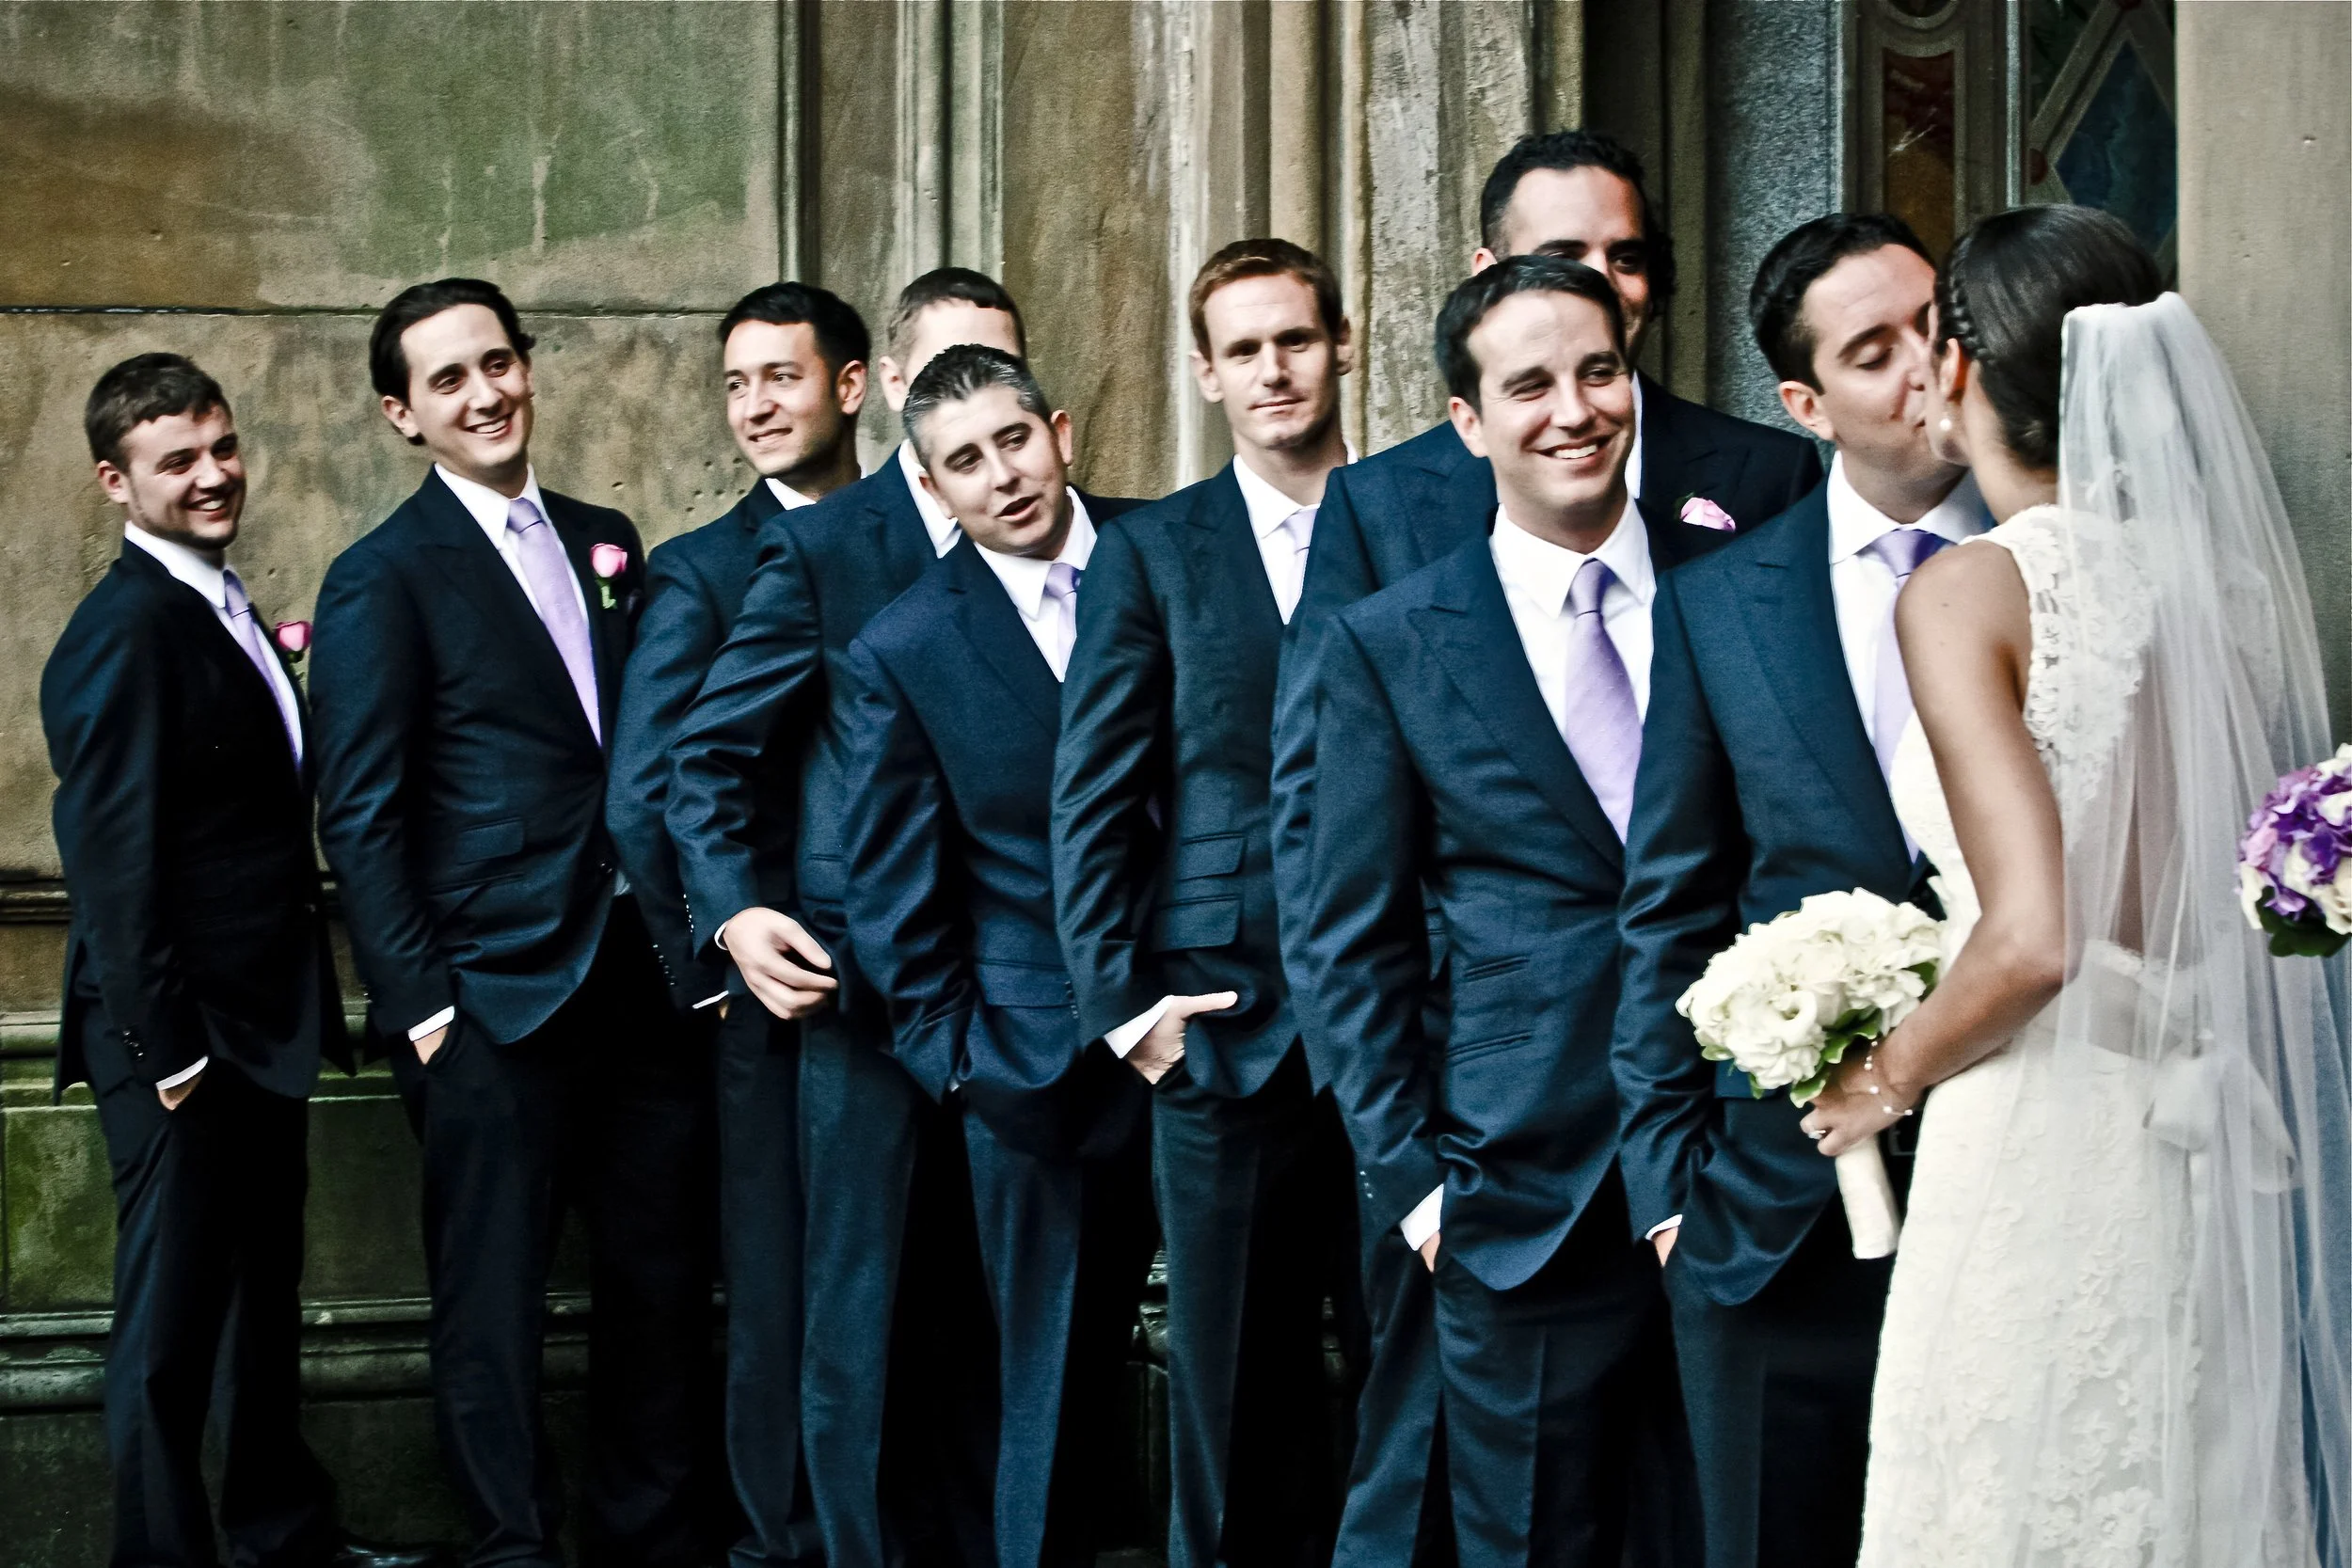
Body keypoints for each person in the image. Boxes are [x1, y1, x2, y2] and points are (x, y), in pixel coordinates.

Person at [1272, 134, 1820, 1568]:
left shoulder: (1736, 590)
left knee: (1735, 1524)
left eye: (1597, 373)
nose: (1575, 411)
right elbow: (1345, 929)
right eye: (1528, 385)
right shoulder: (1392, 642)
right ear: (1467, 421)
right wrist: (1419, 1181)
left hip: (1735, 1154)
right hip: (1513, 1178)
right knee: (1524, 1534)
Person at [1796, 206, 2351, 1566]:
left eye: (1928, 342)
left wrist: (1881, 1076)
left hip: (2039, 1136)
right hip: (2204, 1141)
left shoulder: (1968, 590)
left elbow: (2032, 938)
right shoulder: (2225, 593)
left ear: (1969, 371)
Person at [311, 279, 717, 1568]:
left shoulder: (609, 537)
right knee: (490, 1300)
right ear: (402, 414)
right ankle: (513, 1546)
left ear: (529, 370)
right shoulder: (382, 575)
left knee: (659, 1285)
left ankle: (643, 1535)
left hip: (637, 983)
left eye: (498, 362)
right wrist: (423, 1006)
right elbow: (361, 809)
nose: (484, 393)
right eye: (448, 380)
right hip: (490, 998)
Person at [1609, 212, 1986, 1568]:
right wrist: (1670, 1189)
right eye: (1875, 351)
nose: (1928, 367)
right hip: (1768, 1205)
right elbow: (1669, 900)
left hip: (2019, 1167)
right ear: (1805, 403)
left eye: (1938, 325)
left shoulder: (2062, 560)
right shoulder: (1724, 603)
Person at [42, 354, 438, 1568]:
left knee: (260, 1303)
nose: (213, 477)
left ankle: (284, 1536)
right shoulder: (122, 633)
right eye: (178, 463)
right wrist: (165, 1052)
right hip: (178, 1041)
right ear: (118, 484)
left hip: (258, 1025)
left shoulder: (218, 602)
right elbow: (113, 869)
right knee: (167, 1333)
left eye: (220, 448)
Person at [663, 267, 1028, 1568]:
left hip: (1026, 995)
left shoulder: (1084, 540)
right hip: (861, 989)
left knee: (1002, 1310)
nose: (974, 405)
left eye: (999, 374)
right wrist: (735, 916)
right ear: (891, 394)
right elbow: (700, 760)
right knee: (856, 1314)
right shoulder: (828, 548)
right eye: (943, 376)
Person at [1051, 235, 1357, 1568]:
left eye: (1295, 338)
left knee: (1418, 1355)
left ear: (1342, 344)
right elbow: (1093, 795)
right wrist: (1131, 1014)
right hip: (1219, 1018)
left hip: (1404, 1011)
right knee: (1230, 1373)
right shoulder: (1156, 550)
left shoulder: (1416, 514)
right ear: (1207, 372)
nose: (1274, 368)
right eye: (1245, 349)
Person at [837, 345, 1152, 1568]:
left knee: (1258, 1363)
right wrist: (965, 1064)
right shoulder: (905, 645)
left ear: (1060, 431)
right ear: (932, 482)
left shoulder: (1172, 554)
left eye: (1013, 439)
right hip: (1037, 1067)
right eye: (963, 460)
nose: (1001, 473)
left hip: (1225, 1029)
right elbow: (894, 890)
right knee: (1049, 1391)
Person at [606, 280, 868, 1568]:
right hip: (770, 997)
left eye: (783, 376)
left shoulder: (925, 541)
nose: (757, 405)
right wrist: (717, 955)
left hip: (916, 988)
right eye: (737, 383)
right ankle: (778, 1546)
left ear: (853, 386)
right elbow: (646, 790)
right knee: (776, 1295)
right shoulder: (702, 569)